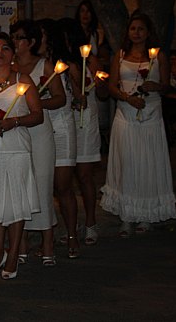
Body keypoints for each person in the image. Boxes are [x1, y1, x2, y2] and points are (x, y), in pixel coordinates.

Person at [0, 32, 42, 279]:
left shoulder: (24, 80)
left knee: (15, 203)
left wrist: (15, 121)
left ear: (12, 54)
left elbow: (37, 114)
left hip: (16, 149)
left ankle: (13, 254)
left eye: (4, 48)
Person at [101, 12, 176, 236]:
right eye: (133, 29)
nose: (136, 33)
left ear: (148, 32)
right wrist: (127, 98)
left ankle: (146, 215)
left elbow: (166, 85)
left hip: (150, 114)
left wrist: (156, 86)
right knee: (128, 162)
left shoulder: (158, 56)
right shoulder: (120, 55)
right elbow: (112, 86)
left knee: (148, 161)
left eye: (141, 29)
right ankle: (127, 216)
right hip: (126, 113)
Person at [11, 20, 62, 265]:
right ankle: (21, 244)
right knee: (20, 186)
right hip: (16, 133)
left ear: (31, 42)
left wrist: (35, 104)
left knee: (42, 185)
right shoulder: (9, 68)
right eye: (13, 37)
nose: (15, 42)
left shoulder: (44, 66)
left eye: (19, 37)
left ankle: (48, 244)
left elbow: (60, 98)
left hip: (40, 130)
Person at [61, 18, 107, 249]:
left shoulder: (90, 61)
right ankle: (72, 225)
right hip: (66, 122)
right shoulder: (59, 63)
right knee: (65, 180)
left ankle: (90, 222)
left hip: (85, 121)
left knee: (85, 175)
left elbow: (103, 92)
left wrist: (99, 83)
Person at [37, 18, 79, 260]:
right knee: (44, 185)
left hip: (61, 125)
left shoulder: (63, 64)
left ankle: (72, 234)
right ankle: (47, 237)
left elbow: (71, 95)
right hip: (41, 126)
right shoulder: (32, 65)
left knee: (63, 185)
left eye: (41, 35)